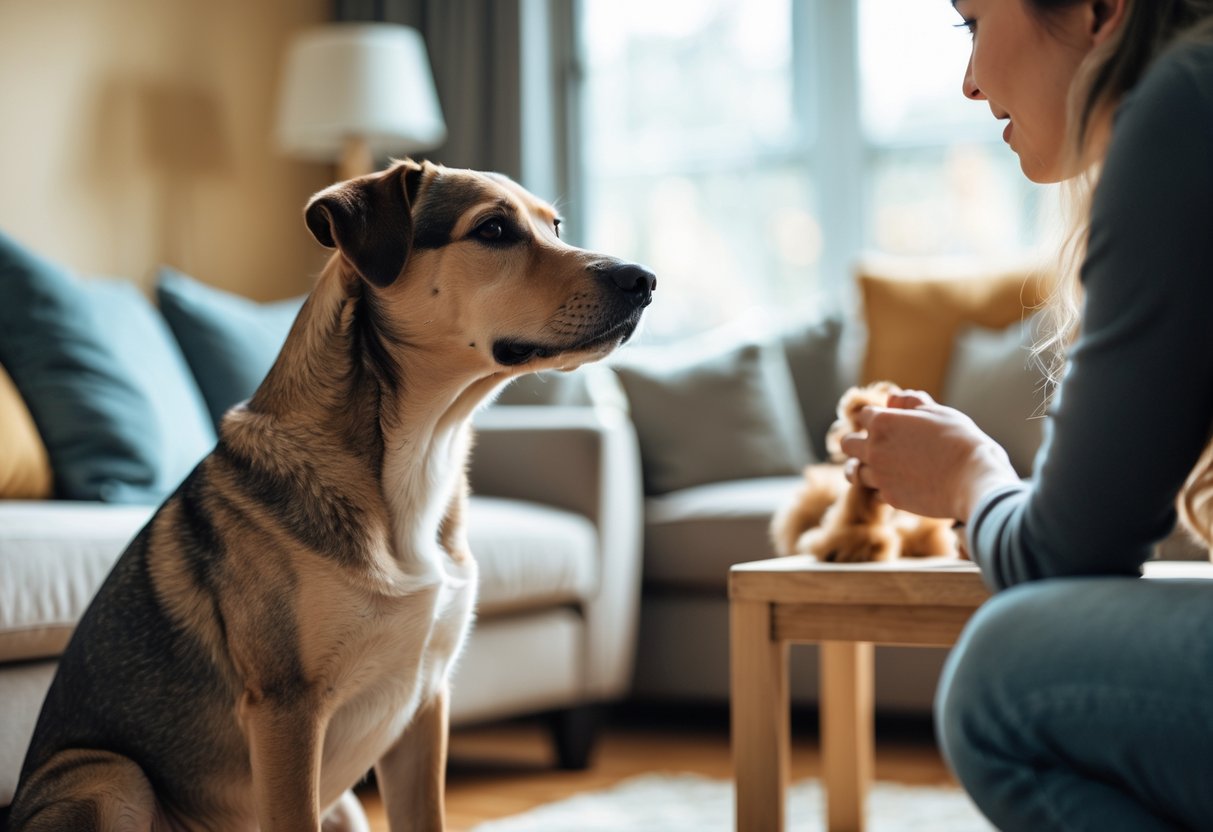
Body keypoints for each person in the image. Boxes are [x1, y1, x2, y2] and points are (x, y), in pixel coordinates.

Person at [839, 0, 1213, 828]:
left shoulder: (1183, 104)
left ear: (1100, 8)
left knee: (1005, 678)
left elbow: (1060, 560)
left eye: (970, 22)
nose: (969, 84)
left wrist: (968, 476)